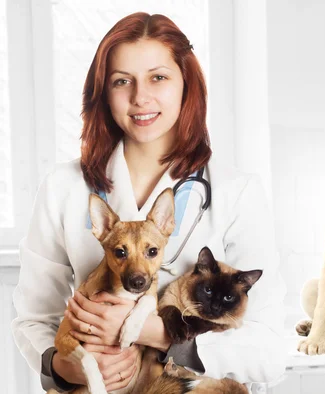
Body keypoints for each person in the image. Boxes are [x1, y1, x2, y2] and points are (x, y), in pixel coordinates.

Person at [11, 12, 287, 393]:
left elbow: (269, 348)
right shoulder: (63, 187)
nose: (140, 97)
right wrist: (67, 368)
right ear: (103, 94)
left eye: (159, 77)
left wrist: (154, 332)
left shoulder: (237, 192)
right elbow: (34, 318)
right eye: (122, 81)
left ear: (186, 83)